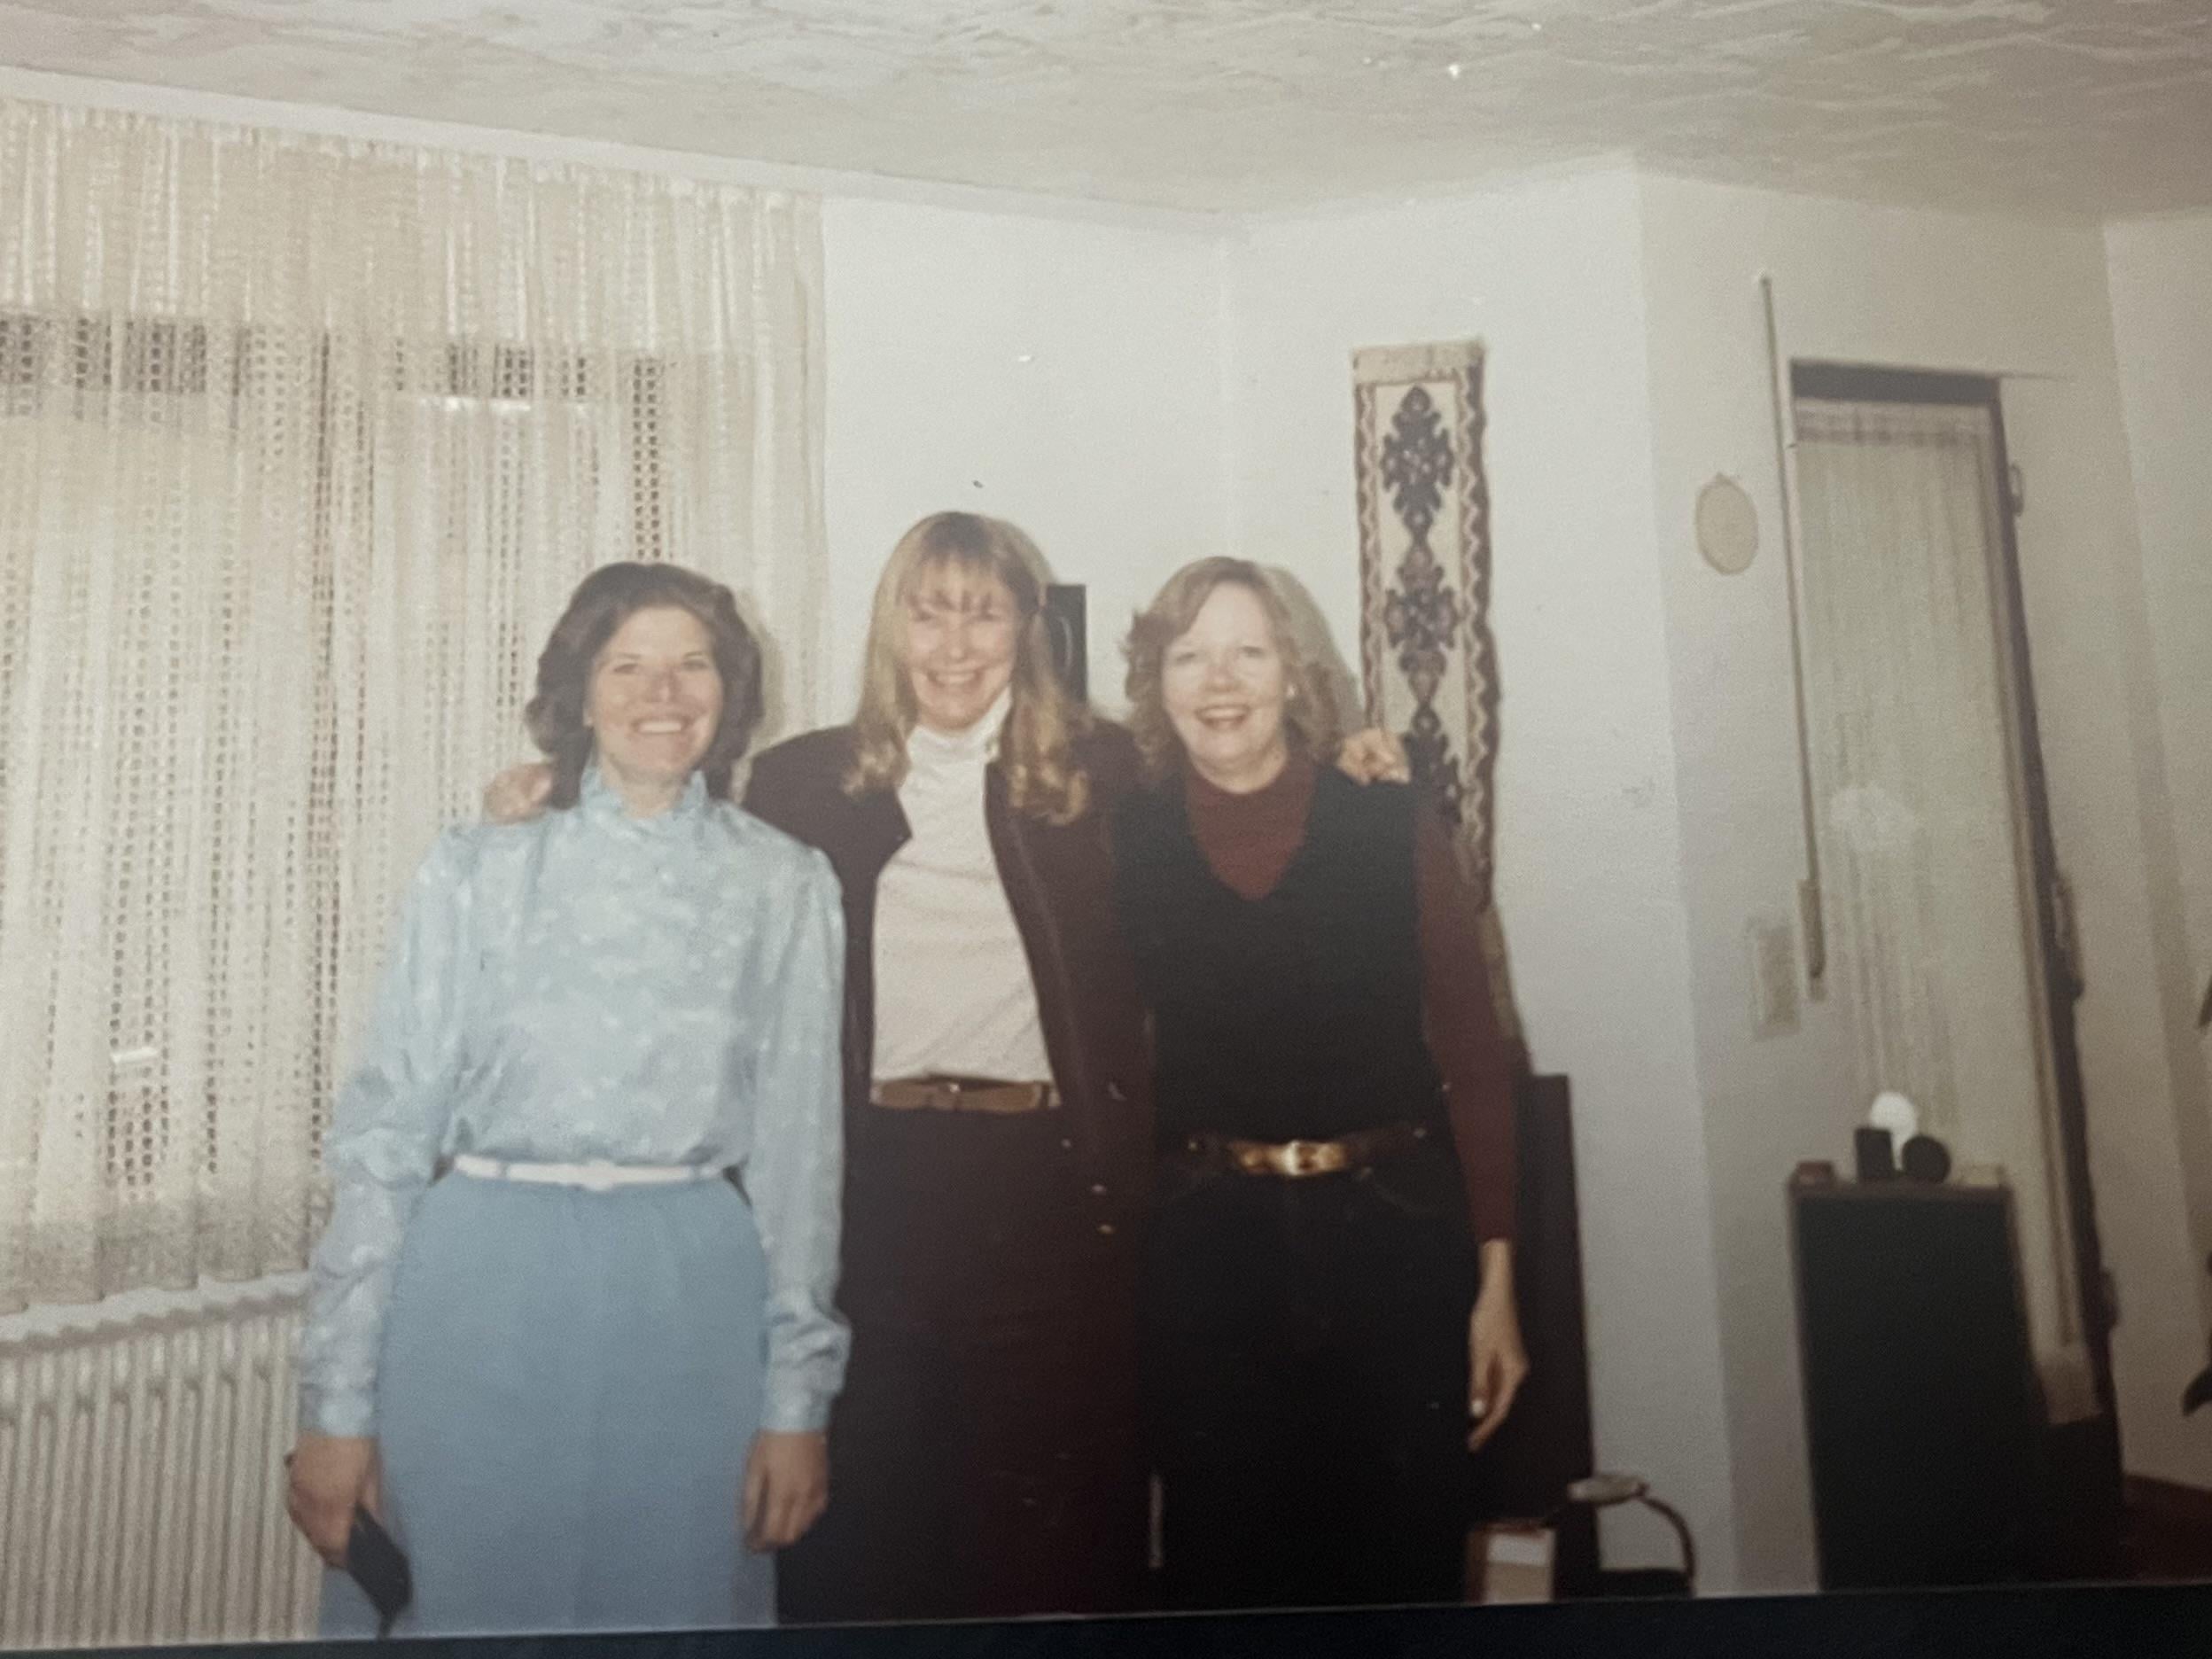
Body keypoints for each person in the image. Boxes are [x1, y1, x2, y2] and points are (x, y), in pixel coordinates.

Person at [481, 514, 1406, 1622]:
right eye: (930, 612)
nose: (957, 643)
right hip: (873, 1189)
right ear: (892, 629)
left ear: (1029, 629)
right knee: (867, 1540)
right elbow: (678, 840)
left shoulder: (1105, 770)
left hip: (1053, 1193)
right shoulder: (804, 780)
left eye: (987, 611)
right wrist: (554, 787)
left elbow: (1238, 774)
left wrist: (1349, 758)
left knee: (1051, 1555)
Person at [286, 563, 848, 1637]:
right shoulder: (480, 868)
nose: (664, 694)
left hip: (691, 1304)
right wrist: (335, 1409)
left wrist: (796, 1405)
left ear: (730, 692)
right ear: (579, 693)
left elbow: (800, 1158)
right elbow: (387, 1137)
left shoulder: (785, 884)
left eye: (694, 666)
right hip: (480, 1294)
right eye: (627, 664)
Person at [1112, 556, 1530, 1613]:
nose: (1220, 679)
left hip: (1395, 1244)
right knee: (1227, 1582)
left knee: (1404, 1579)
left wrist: (1498, 1284)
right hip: (1211, 1260)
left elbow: (1476, 1057)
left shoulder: (1392, 820)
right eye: (1190, 654)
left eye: (1249, 650)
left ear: (1295, 674)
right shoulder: (1122, 836)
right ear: (1155, 683)